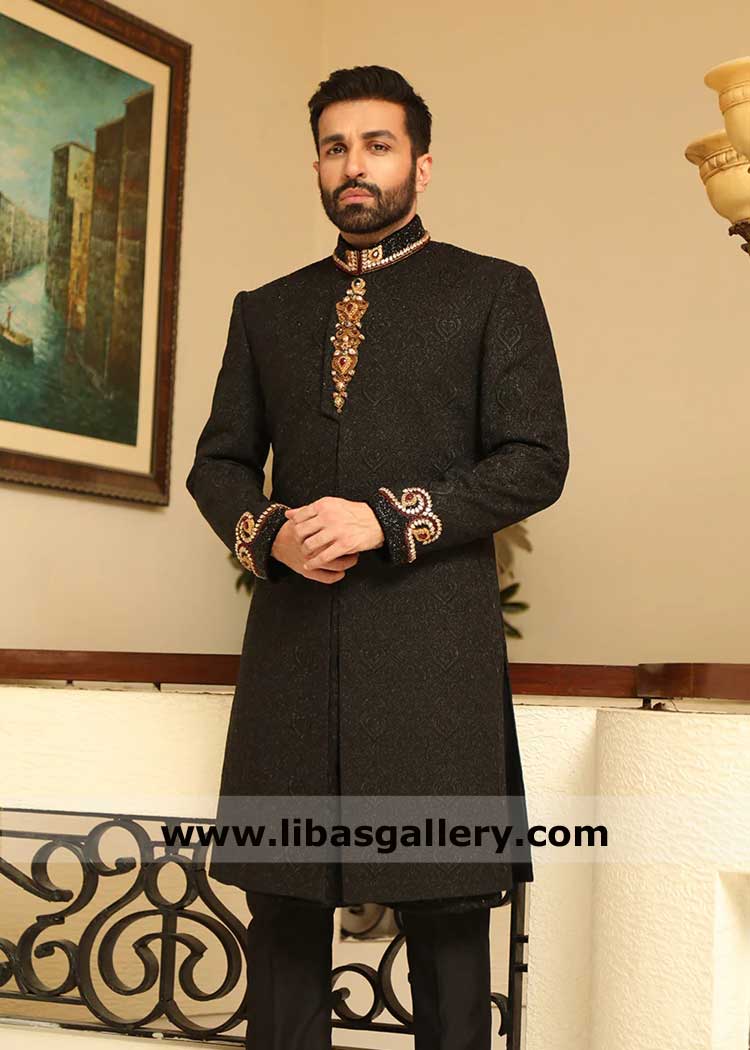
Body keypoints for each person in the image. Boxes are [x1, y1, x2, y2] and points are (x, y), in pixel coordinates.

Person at [186, 64, 569, 1050]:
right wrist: (270, 533)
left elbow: (534, 460)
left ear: (422, 165)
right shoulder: (265, 309)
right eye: (335, 147)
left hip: (433, 654)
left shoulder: (493, 292)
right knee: (282, 914)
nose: (353, 164)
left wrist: (387, 519)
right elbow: (218, 465)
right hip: (293, 652)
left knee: (445, 921)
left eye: (378, 144)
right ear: (318, 164)